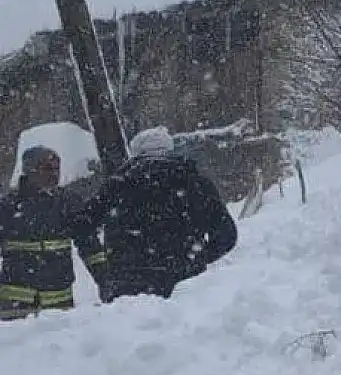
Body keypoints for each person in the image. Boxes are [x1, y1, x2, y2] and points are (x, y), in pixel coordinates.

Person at [79, 127, 238, 300]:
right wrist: (199, 257)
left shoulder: (117, 186)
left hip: (129, 286)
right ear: (170, 149)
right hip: (186, 285)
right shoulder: (195, 182)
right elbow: (226, 234)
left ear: (135, 153)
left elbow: (82, 225)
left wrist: (103, 270)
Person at [0, 146, 108, 320]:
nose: (54, 174)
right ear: (30, 170)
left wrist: (106, 282)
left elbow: (90, 246)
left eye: (57, 168)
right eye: (47, 169)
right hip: (15, 307)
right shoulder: (7, 207)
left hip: (59, 306)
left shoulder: (68, 202)